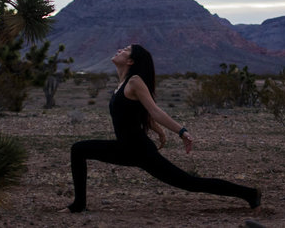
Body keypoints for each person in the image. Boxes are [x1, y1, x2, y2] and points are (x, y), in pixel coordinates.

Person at [65, 44, 261, 213]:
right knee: (79, 150)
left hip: (139, 150)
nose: (120, 50)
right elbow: (137, 114)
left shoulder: (134, 82)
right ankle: (79, 204)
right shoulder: (122, 83)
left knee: (189, 183)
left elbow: (154, 110)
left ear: (131, 61)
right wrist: (159, 131)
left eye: (125, 50)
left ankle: (250, 194)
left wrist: (181, 131)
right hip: (125, 148)